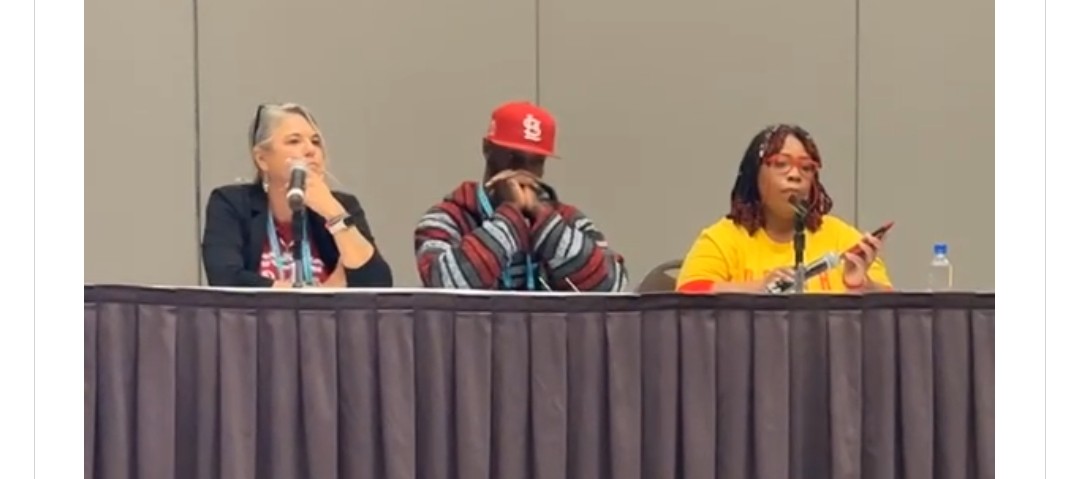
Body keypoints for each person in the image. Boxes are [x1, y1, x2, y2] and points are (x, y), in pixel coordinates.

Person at [414, 101, 628, 292]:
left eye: (535, 161)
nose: (522, 170)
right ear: (486, 149)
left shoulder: (567, 219)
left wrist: (545, 222)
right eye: (512, 156)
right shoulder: (447, 217)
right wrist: (509, 216)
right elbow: (443, 286)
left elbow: (613, 286)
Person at [675, 124, 892, 293]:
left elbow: (891, 303)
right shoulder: (723, 238)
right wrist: (759, 288)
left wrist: (863, 286)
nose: (795, 175)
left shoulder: (841, 237)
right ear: (755, 174)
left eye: (806, 168)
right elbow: (689, 292)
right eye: (781, 164)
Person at [201, 103, 393, 288]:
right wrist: (317, 295)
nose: (311, 150)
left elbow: (377, 284)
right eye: (294, 141)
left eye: (316, 142)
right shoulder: (231, 203)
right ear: (262, 159)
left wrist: (333, 212)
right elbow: (226, 279)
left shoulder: (342, 205)